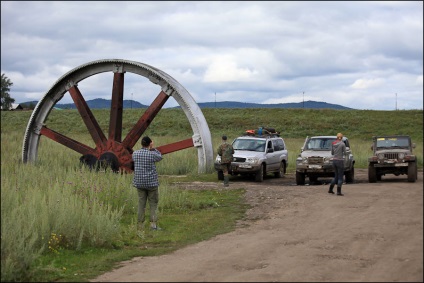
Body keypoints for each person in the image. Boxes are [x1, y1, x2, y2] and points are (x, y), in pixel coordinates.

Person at [132, 136, 163, 230]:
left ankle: (140, 225)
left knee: (141, 203)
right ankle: (153, 225)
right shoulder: (152, 154)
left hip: (139, 182)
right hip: (151, 183)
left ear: (141, 143)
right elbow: (160, 157)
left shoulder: (135, 154)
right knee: (153, 203)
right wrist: (152, 148)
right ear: (149, 143)